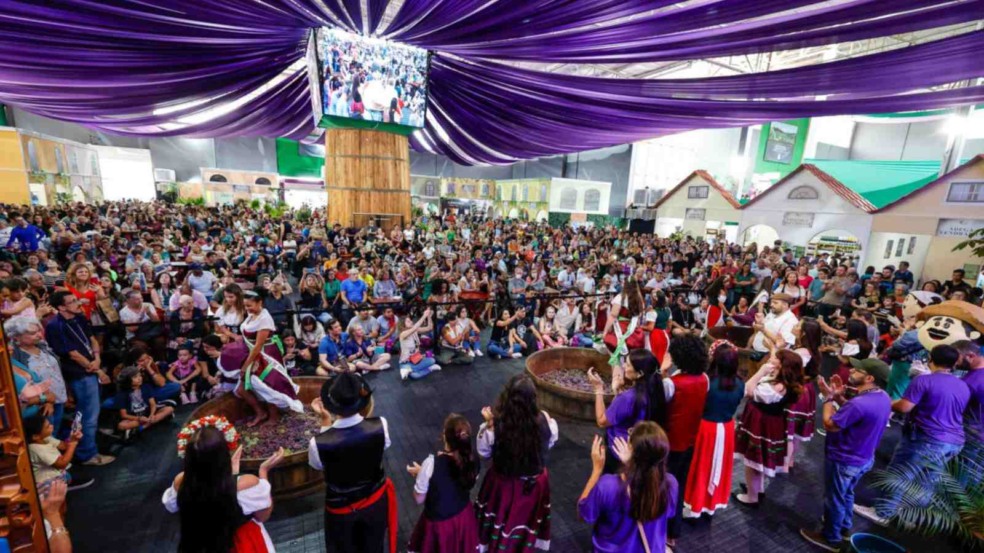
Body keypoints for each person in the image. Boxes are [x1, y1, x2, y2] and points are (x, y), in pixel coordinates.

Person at [854, 344, 971, 526]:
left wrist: (883, 400)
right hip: (955, 442)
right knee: (927, 480)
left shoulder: (924, 380)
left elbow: (904, 407)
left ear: (931, 359)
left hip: (927, 439)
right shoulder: (963, 385)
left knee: (900, 474)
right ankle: (911, 517)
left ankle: (883, 512)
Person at [799, 358, 892, 552]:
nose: (850, 371)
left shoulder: (859, 404)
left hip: (845, 458)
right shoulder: (882, 396)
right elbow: (855, 414)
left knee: (834, 498)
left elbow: (830, 424)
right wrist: (838, 397)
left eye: (856, 370)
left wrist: (828, 398)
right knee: (847, 494)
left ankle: (830, 538)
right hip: (864, 457)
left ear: (869, 377)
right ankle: (844, 527)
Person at [308, 373, 397, 553]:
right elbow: (383, 446)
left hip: (341, 511)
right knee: (374, 545)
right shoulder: (381, 425)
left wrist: (325, 423)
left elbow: (318, 464)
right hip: (375, 503)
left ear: (331, 405)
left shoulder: (318, 443)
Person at [163, 426, 284, 553]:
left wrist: (231, 473)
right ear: (224, 455)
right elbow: (263, 516)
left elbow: (173, 506)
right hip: (238, 544)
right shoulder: (245, 484)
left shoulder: (180, 481)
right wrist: (263, 472)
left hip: (198, 543)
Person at [476, 375, 558, 553]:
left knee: (501, 519)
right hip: (534, 485)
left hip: (504, 486)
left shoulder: (495, 426)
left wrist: (488, 424)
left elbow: (484, 453)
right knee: (527, 518)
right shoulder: (544, 420)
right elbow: (549, 443)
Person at [577, 422, 677, 553]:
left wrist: (596, 471)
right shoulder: (670, 484)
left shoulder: (607, 486)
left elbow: (583, 514)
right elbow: (666, 512)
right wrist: (634, 465)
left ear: (631, 451)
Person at [45, 291, 114, 466]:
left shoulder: (80, 318)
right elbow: (72, 354)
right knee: (87, 415)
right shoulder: (55, 326)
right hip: (79, 373)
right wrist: (96, 369)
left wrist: (97, 358)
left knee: (93, 412)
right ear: (61, 307)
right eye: (73, 301)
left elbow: (92, 340)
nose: (78, 303)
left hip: (92, 366)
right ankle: (87, 454)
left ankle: (89, 445)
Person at [734, 349, 803, 506]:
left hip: (761, 422)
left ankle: (751, 497)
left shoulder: (776, 387)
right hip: (770, 422)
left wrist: (759, 371)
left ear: (782, 365)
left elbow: (748, 390)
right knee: (760, 458)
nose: (772, 358)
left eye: (776, 358)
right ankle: (757, 489)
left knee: (753, 460)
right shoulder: (782, 381)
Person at [683, 340, 744, 518]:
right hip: (726, 430)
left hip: (705, 429)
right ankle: (710, 503)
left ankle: (693, 505)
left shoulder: (707, 382)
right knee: (718, 466)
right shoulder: (740, 384)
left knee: (700, 467)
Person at [406, 414, 480, 553]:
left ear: (445, 436)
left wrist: (422, 475)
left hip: (439, 524)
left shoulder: (431, 464)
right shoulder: (473, 459)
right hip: (463, 517)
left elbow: (418, 498)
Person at [588, 349, 671, 473]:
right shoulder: (657, 390)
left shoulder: (628, 398)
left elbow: (601, 420)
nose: (624, 366)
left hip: (619, 452)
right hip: (641, 450)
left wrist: (598, 389)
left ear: (639, 373)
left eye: (627, 364)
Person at [663, 334, 709, 543]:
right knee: (678, 485)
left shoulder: (671, 384)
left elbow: (659, 404)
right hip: (690, 441)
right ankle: (673, 532)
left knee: (662, 485)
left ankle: (659, 530)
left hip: (669, 443)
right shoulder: (705, 380)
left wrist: (662, 371)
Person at [236, 291, 303, 426]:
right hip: (254, 354)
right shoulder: (251, 315)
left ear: (259, 303)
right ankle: (261, 412)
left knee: (269, 385)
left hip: (266, 355)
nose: (247, 308)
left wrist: (245, 366)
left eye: (250, 305)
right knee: (242, 389)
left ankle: (274, 416)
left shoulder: (265, 319)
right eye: (245, 306)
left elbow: (258, 346)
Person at [9, 317, 66, 428]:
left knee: (56, 434)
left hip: (59, 398)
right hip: (41, 406)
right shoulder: (15, 356)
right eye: (32, 333)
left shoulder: (43, 346)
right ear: (17, 337)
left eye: (39, 331)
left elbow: (56, 371)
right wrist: (45, 400)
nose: (39, 335)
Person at [786, 319, 823, 465]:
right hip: (804, 389)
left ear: (803, 334)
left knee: (789, 431)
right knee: (793, 432)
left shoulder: (802, 353)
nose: (793, 326)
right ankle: (789, 460)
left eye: (797, 326)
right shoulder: (805, 349)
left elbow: (790, 372)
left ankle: (786, 462)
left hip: (798, 391)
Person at [25, 412, 92, 492]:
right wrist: (73, 444)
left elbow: (63, 446)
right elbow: (62, 464)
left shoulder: (45, 438)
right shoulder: (36, 449)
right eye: (47, 427)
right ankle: (62, 486)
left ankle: (66, 480)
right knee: (64, 476)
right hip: (45, 480)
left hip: (55, 472)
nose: (52, 426)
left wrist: (72, 437)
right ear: (36, 436)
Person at [114, 366, 174, 437]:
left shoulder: (146, 387)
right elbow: (124, 415)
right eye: (135, 377)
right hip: (135, 418)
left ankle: (142, 427)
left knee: (169, 409)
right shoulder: (122, 394)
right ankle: (156, 421)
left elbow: (153, 404)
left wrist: (151, 415)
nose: (139, 378)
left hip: (148, 414)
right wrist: (139, 419)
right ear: (127, 380)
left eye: (140, 376)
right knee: (121, 425)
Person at [398, 308, 441, 381]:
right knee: (415, 376)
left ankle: (412, 370)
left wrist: (429, 317)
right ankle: (425, 369)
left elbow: (429, 328)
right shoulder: (403, 334)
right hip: (406, 362)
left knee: (432, 360)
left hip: (416, 360)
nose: (411, 322)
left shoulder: (415, 330)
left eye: (410, 320)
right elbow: (415, 327)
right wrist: (424, 315)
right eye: (408, 321)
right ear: (403, 324)